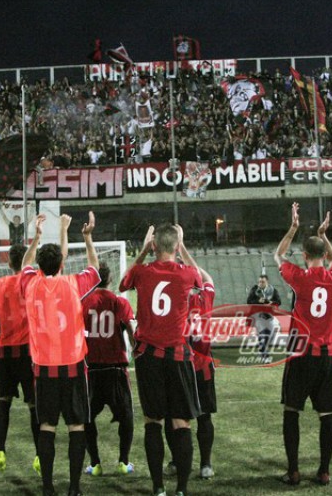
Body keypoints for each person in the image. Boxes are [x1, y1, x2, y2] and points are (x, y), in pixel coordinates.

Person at [119, 223, 202, 496]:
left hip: (149, 357)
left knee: (153, 421)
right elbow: (201, 281)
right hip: (178, 355)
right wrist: (183, 246)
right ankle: (181, 489)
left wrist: (143, 250)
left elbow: (123, 283)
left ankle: (157, 487)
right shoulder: (187, 273)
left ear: (154, 246)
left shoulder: (142, 272)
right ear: (176, 247)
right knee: (181, 423)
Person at [21, 212, 100, 496]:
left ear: (40, 266)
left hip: (43, 367)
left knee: (47, 425)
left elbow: (24, 264)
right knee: (76, 424)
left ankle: (47, 488)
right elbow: (94, 267)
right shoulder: (72, 285)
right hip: (74, 365)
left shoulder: (30, 284)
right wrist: (87, 237)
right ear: (63, 264)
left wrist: (37, 237)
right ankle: (75, 488)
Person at [275, 205, 332, 486]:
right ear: (325, 256)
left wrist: (293, 228)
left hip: (300, 353)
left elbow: (279, 254)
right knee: (326, 414)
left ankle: (293, 471)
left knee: (292, 411)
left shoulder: (301, 279)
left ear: (304, 256)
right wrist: (324, 236)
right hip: (327, 355)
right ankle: (324, 471)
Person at [0, 244, 40, 474]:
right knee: (34, 405)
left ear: (9, 263)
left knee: (3, 400)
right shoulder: (33, 281)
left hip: (5, 351)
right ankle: (39, 456)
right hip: (29, 351)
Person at [81, 262, 137, 478]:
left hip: (92, 370)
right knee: (127, 417)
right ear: (110, 279)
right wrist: (135, 349)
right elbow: (131, 329)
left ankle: (95, 464)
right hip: (116, 369)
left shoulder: (84, 303)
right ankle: (123, 462)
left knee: (87, 417)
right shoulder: (119, 302)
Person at [166, 267, 217, 481]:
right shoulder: (205, 298)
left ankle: (178, 461)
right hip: (202, 367)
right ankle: (205, 464)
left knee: (174, 417)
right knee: (204, 417)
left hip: (180, 366)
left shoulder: (173, 303)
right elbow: (208, 278)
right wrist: (189, 260)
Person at [247, 274, 282, 361]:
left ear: (267, 282)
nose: (260, 283)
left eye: (262, 282)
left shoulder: (273, 290)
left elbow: (278, 301)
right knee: (264, 331)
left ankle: (262, 348)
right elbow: (249, 301)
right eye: (259, 282)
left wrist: (270, 302)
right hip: (257, 314)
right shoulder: (254, 289)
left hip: (269, 314)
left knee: (274, 329)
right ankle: (264, 355)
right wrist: (258, 301)